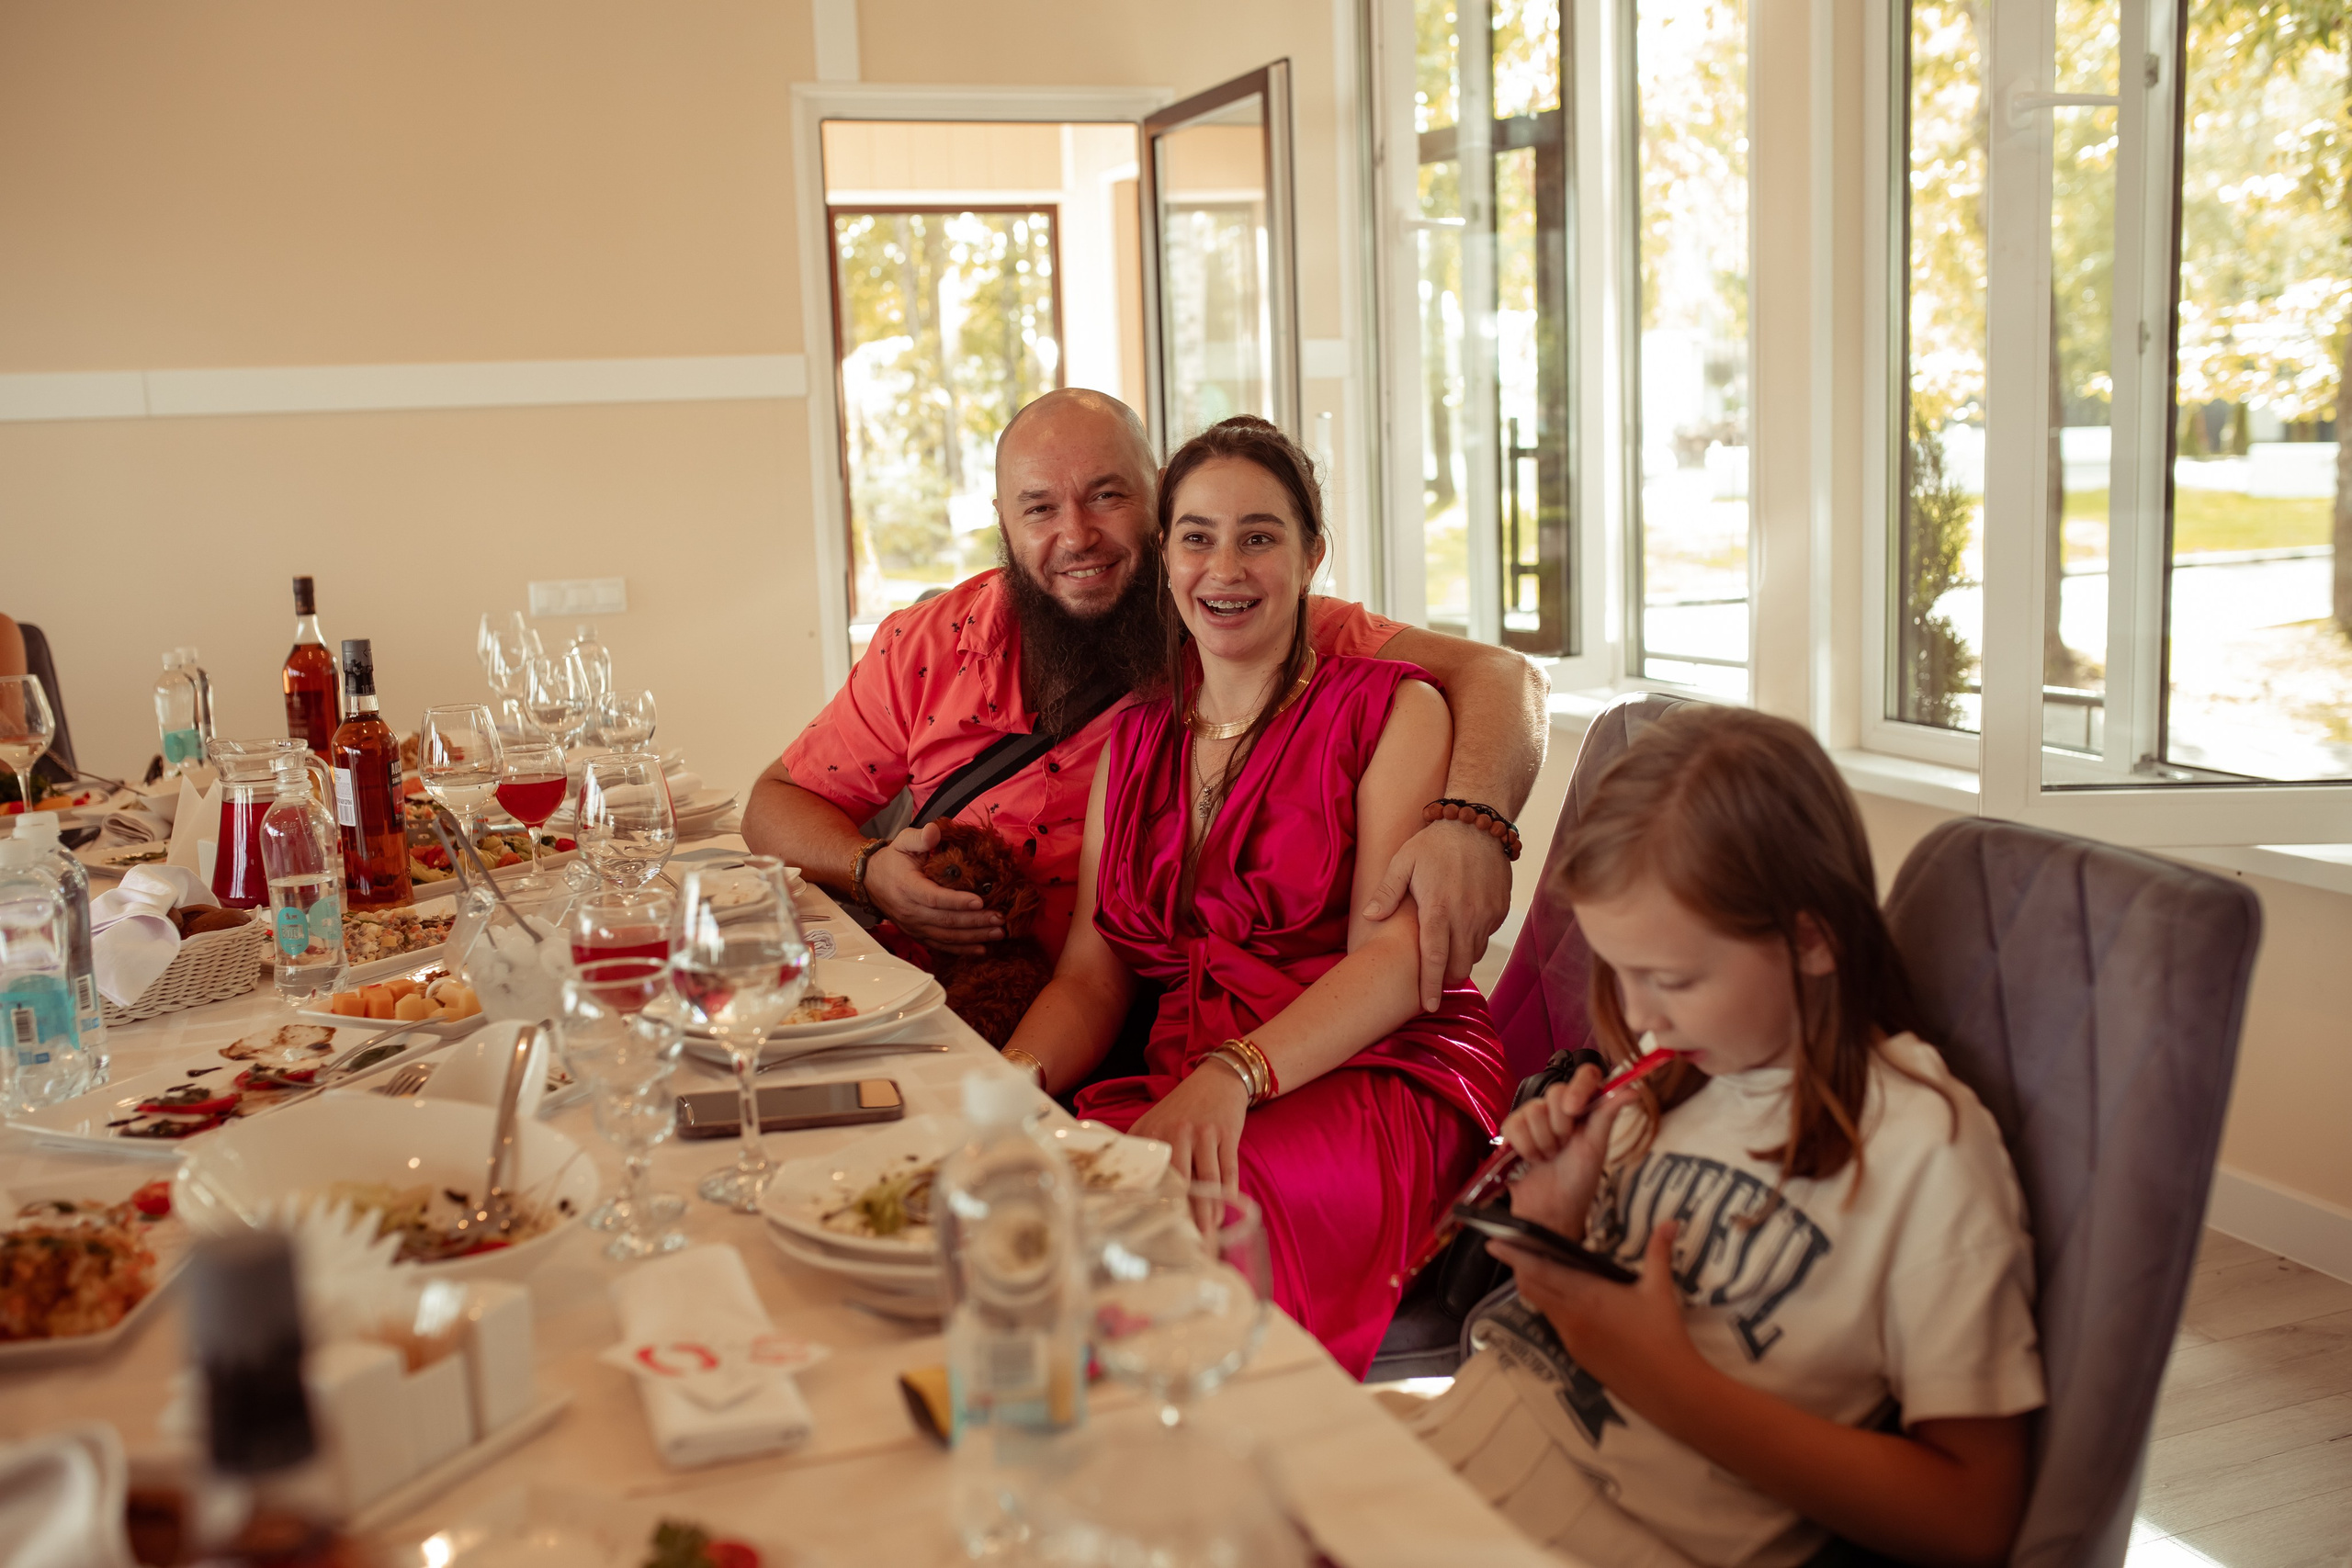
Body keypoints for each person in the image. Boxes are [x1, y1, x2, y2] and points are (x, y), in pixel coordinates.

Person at [1400, 705, 2043, 1568]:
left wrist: (1667, 1380)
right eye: (1619, 972)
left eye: (1671, 978)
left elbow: (1972, 1518)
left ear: (1811, 939)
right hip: (1449, 1453)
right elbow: (1568, 1341)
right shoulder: (1664, 1091)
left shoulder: (1927, 1151)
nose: (1639, 1016)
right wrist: (1555, 1228)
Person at [742, 389, 1547, 1019]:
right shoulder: (925, 643)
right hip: (916, 999)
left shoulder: (1235, 619)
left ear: (1158, 500)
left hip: (1126, 1020)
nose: (1077, 535)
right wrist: (868, 869)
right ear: (1003, 523)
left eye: (1107, 496)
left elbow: (1505, 677)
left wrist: (1472, 824)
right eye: (1039, 508)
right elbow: (773, 802)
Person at [1000, 417, 1511, 1376]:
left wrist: (1232, 1075)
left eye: (1259, 537)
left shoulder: (1392, 710)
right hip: (1189, 1080)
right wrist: (1006, 1080)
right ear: (1166, 557)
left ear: (1312, 555)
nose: (1224, 568)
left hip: (1370, 1070)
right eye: (1197, 537)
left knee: (1168, 1227)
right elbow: (1090, 975)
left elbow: (1397, 962)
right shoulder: (1135, 737)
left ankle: (1241, 1457)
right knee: (1020, 1206)